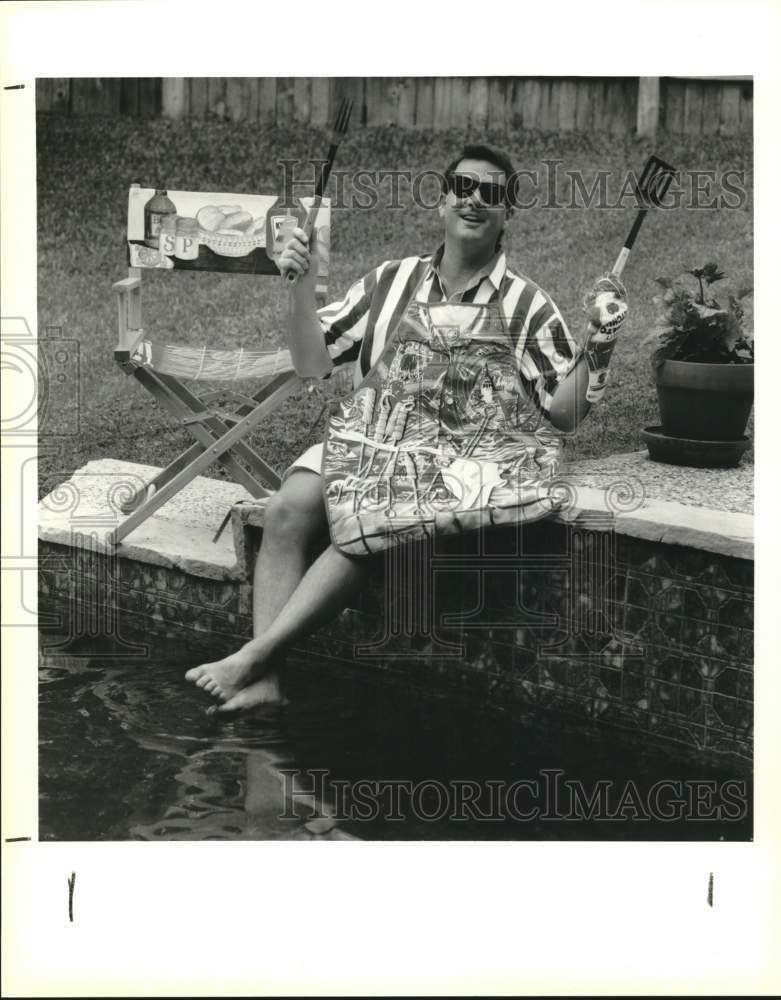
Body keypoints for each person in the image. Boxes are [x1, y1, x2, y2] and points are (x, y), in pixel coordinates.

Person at [185, 143, 627, 713]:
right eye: (462, 187)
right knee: (287, 506)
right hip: (371, 441)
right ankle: (267, 684)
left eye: (491, 193)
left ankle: (253, 658)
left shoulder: (527, 306)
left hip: (455, 465)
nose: (474, 200)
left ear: (507, 214)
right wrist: (296, 285)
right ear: (442, 200)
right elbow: (312, 361)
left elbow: (563, 414)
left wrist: (601, 345)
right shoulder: (389, 282)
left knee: (370, 520)